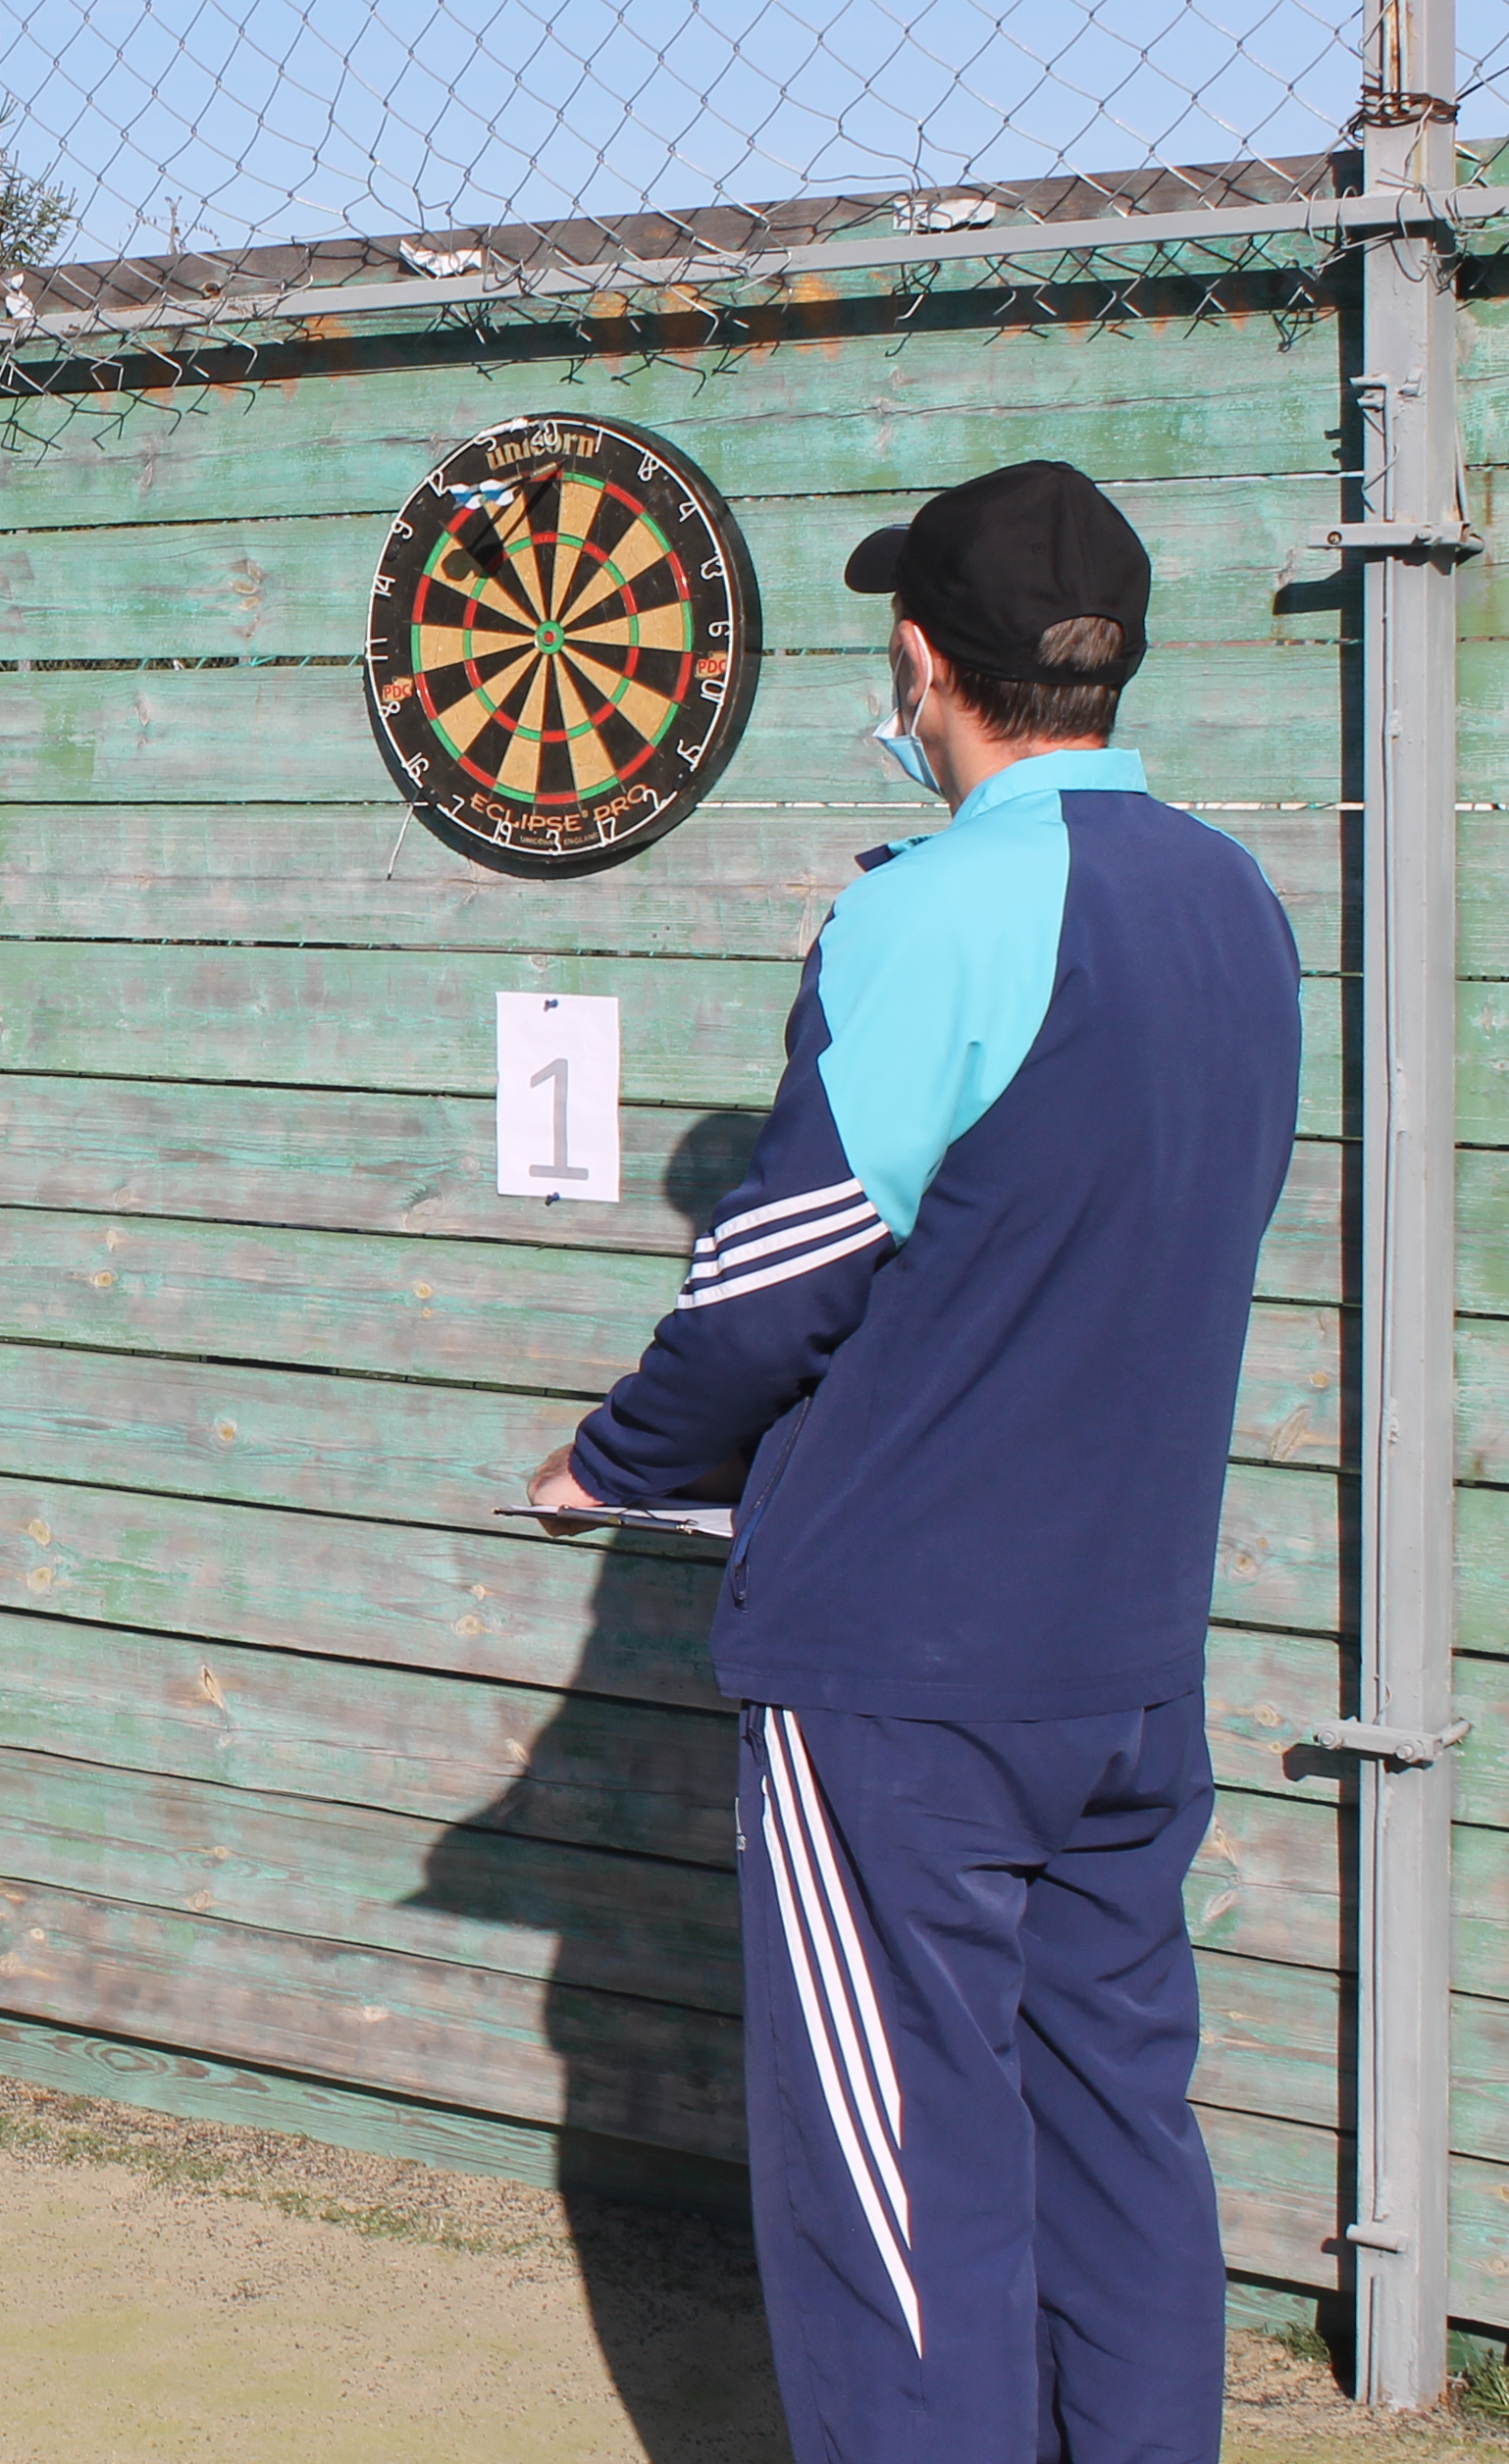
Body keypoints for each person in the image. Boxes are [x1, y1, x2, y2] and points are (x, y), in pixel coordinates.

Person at [530, 460, 1298, 2463]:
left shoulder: (931, 907)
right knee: (1121, 2136)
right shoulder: (1239, 905)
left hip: (900, 1679)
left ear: (920, 659)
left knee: (899, 2186)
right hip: (1126, 1667)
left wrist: (613, 1463)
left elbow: (778, 1271)